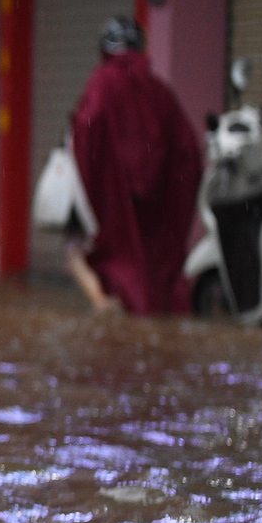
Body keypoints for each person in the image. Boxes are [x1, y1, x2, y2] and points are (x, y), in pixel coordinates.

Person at [65, 16, 203, 315]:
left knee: (108, 259)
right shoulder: (158, 90)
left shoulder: (102, 82)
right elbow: (188, 150)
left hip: (117, 201)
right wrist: (163, 189)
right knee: (152, 266)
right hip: (156, 207)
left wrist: (107, 182)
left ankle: (107, 309)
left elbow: (87, 128)